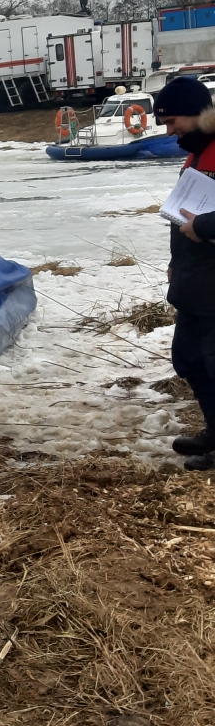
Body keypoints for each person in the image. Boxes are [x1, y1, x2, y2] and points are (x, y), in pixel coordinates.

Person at [154, 76, 215, 470]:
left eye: (173, 120)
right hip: (195, 281)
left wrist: (206, 227)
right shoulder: (196, 153)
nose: (170, 130)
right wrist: (177, 263)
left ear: (197, 113)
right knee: (189, 359)